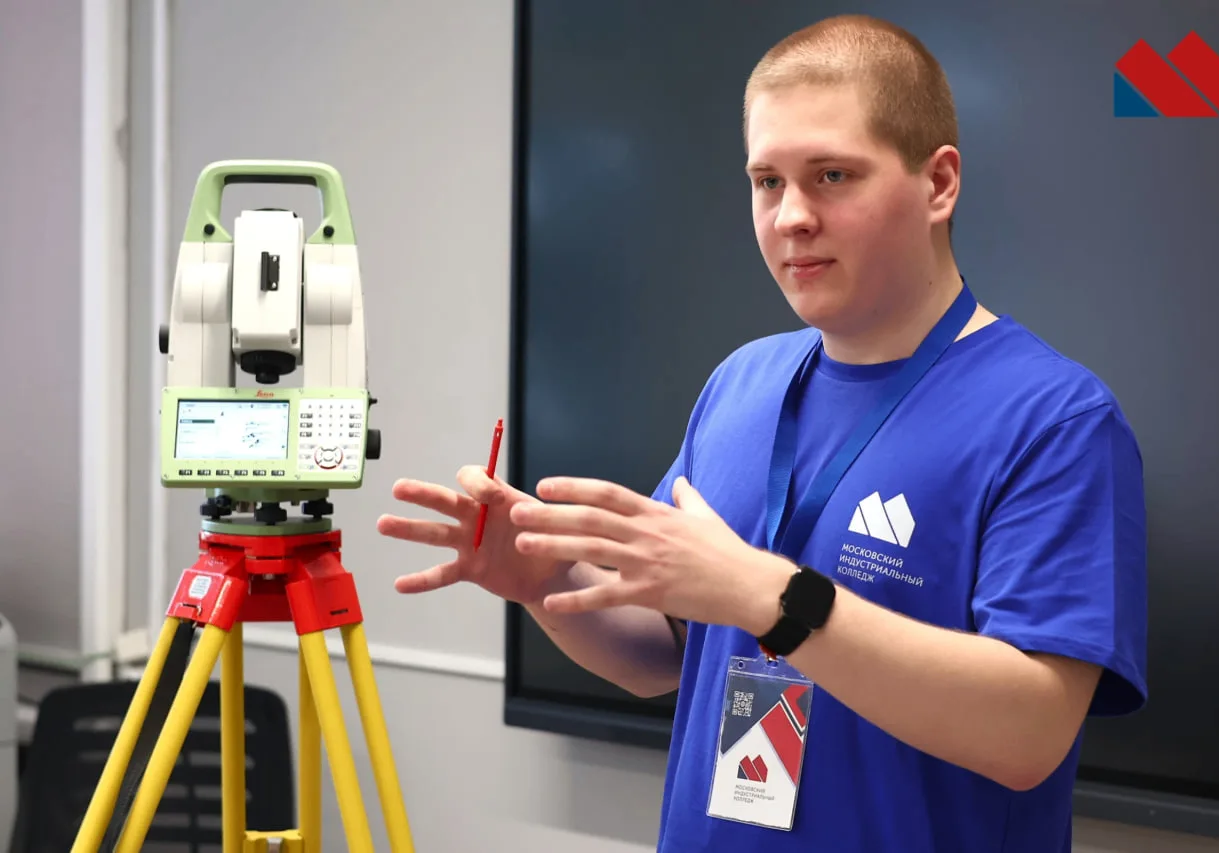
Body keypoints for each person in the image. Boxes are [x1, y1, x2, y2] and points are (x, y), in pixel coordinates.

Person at [377, 13, 1147, 853]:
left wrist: (774, 599)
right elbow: (667, 651)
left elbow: (1030, 733)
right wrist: (546, 581)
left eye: (832, 175)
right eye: (768, 181)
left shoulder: (1054, 420)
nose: (791, 217)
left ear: (938, 184)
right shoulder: (742, 383)